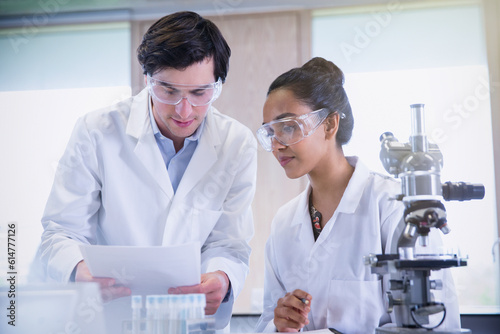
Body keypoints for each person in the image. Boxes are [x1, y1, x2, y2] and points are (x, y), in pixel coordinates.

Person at [35, 11, 257, 331]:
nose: (184, 110)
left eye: (199, 93)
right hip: (108, 319)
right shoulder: (96, 131)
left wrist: (222, 277)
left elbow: (230, 243)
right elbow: (59, 233)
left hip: (191, 322)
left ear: (218, 84)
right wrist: (78, 270)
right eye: (168, 91)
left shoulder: (238, 145)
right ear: (147, 79)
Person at [254, 57, 461, 333]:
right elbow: (266, 321)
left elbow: (436, 325)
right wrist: (280, 324)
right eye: (270, 132)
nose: (277, 145)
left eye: (288, 126)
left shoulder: (393, 207)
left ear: (329, 125)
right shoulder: (283, 223)